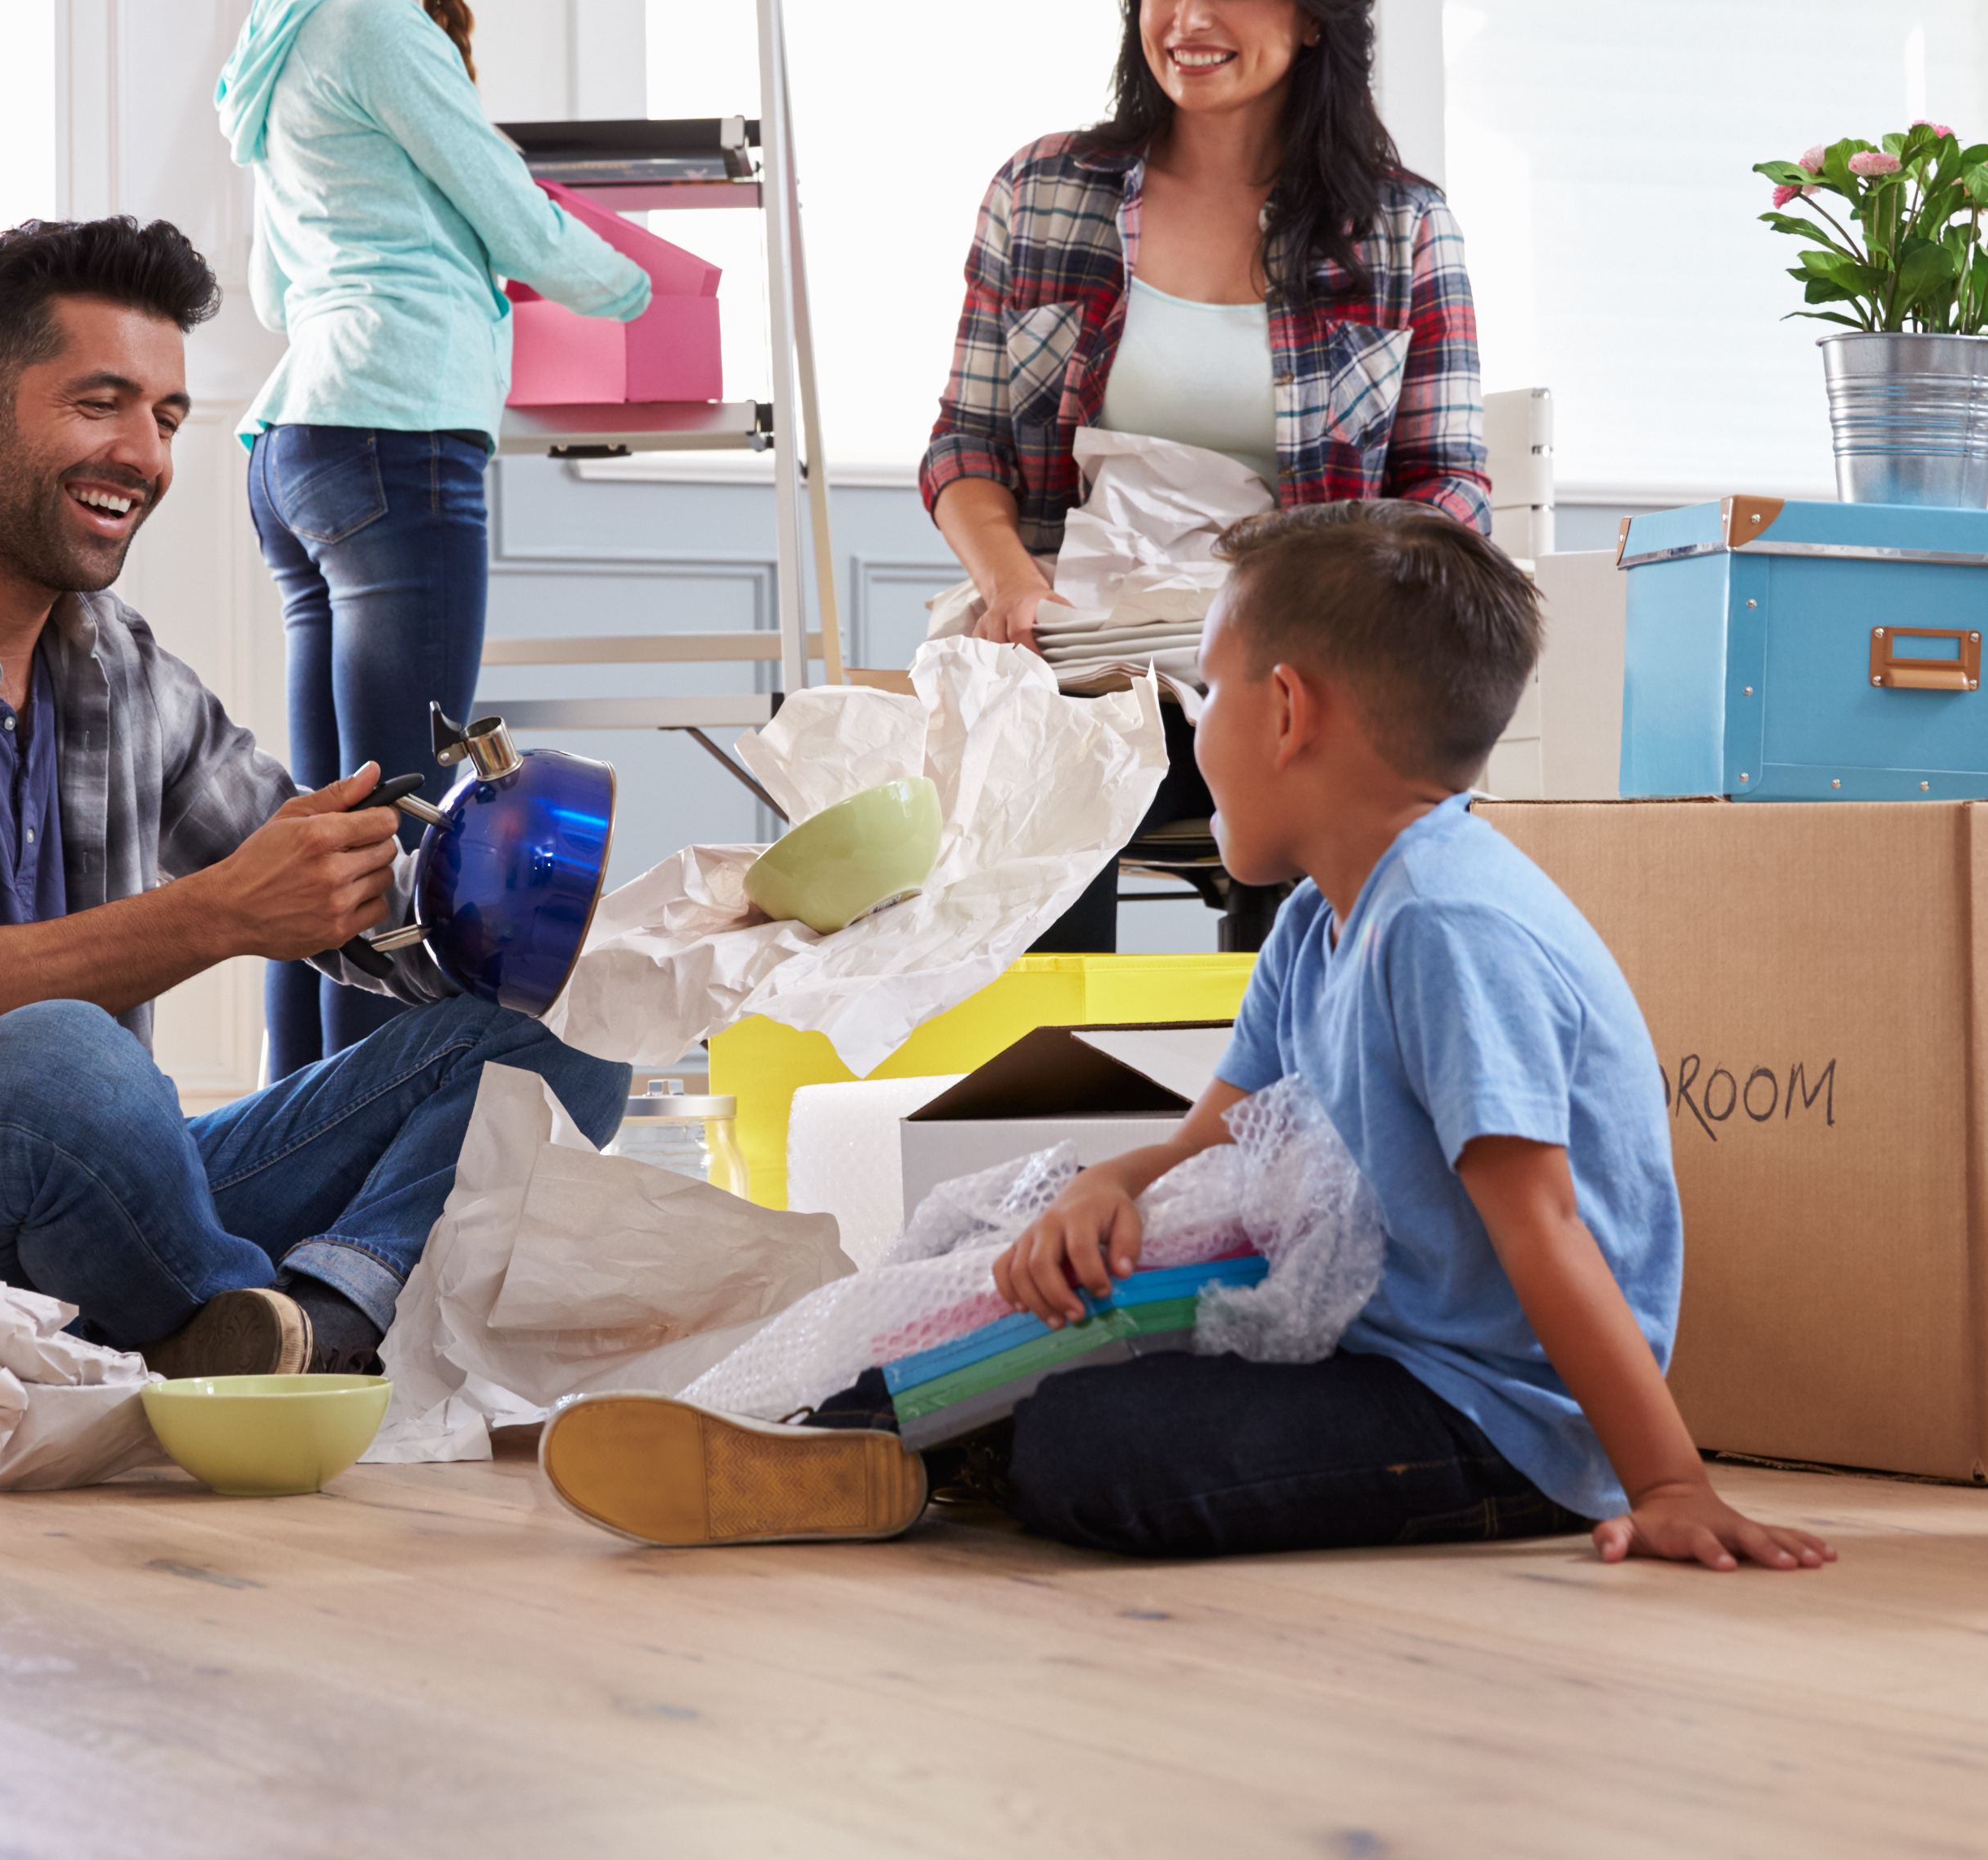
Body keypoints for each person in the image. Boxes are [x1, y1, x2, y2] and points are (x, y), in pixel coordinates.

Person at [534, 501, 1834, 1573]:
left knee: (1097, 1445)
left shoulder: (1445, 924)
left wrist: (1663, 1479)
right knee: (1034, 1293)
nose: (1188, 728)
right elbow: (1208, 1140)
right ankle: (840, 1432)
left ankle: (875, 1448)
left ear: (1285, 712)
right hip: (1367, 1344)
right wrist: (1107, 1187)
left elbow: (1541, 1222)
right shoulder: (1321, 923)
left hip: (1492, 1419)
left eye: (1199, 691)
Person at [0, 215, 627, 1454]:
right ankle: (220, 1316)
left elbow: (318, 885)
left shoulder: (117, 667)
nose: (141, 454)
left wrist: (506, 895)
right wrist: (215, 914)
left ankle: (299, 1328)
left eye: (165, 416)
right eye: (102, 403)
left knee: (561, 1033)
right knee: (65, 1062)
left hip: (71, 1247)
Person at [918, 0, 1487, 952]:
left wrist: (1303, 603)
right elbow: (964, 445)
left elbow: (1447, 492)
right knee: (1026, 753)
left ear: (1313, 10)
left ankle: (1284, 1095)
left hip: (1289, 665)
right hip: (1069, 651)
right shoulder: (1044, 192)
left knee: (1307, 757)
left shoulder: (1401, 227)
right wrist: (1011, 584)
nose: (1189, 16)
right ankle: (1036, 1095)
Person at [219, 0, 652, 1082]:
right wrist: (634, 284)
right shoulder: (378, 29)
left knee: (330, 841)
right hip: (396, 444)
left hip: (302, 444)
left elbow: (273, 282)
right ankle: (366, 1182)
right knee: (405, 835)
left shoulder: (285, 31)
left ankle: (283, 1154)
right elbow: (516, 215)